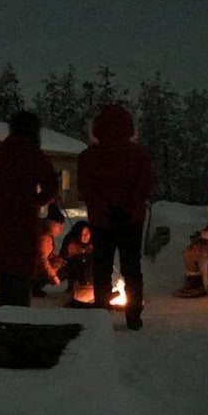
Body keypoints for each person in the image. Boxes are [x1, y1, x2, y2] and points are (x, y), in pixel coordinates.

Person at [77, 104, 152, 330]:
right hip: (132, 221)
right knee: (132, 267)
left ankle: (101, 315)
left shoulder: (88, 156)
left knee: (102, 267)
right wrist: (127, 209)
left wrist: (106, 209)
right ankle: (134, 316)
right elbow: (144, 187)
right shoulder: (139, 155)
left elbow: (86, 189)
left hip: (102, 221)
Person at [0, 111, 59, 307]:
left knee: (6, 269)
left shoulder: (2, 154)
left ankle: (4, 315)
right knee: (21, 269)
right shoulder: (35, 154)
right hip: (25, 219)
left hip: (2, 219)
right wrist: (36, 201)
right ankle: (19, 315)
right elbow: (51, 187)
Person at [32, 203, 66, 297]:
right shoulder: (44, 237)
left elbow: (47, 255)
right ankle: (34, 286)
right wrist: (52, 276)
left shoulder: (47, 234)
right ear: (53, 224)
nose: (60, 230)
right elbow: (42, 259)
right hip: (33, 268)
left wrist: (58, 260)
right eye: (59, 227)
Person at [59, 220, 94, 291]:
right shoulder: (70, 240)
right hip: (71, 267)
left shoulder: (93, 241)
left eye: (87, 233)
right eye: (82, 234)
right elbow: (63, 256)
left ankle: (88, 285)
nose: (85, 236)